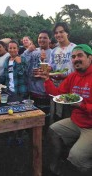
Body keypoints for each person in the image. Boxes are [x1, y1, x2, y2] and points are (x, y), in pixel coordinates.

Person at [37, 44, 92, 176]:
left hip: (90, 126)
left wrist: (82, 106)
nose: (76, 59)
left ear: (90, 58)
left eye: (80, 56)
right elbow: (58, 94)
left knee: (76, 157)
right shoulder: (73, 76)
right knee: (53, 130)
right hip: (76, 121)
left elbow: (82, 105)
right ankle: (55, 166)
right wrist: (47, 80)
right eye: (73, 57)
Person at [49, 22, 76, 121]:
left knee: (67, 114)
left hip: (70, 86)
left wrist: (65, 76)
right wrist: (46, 70)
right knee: (55, 114)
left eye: (61, 32)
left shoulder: (74, 48)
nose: (58, 35)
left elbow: (79, 69)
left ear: (67, 33)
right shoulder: (54, 50)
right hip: (55, 86)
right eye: (56, 33)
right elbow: (51, 66)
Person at [21, 30, 52, 108]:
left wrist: (44, 67)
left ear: (49, 40)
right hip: (31, 90)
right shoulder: (33, 51)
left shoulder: (52, 53)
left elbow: (53, 70)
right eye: (40, 37)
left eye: (45, 38)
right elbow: (22, 62)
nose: (41, 40)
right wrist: (28, 50)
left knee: (44, 115)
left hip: (43, 92)